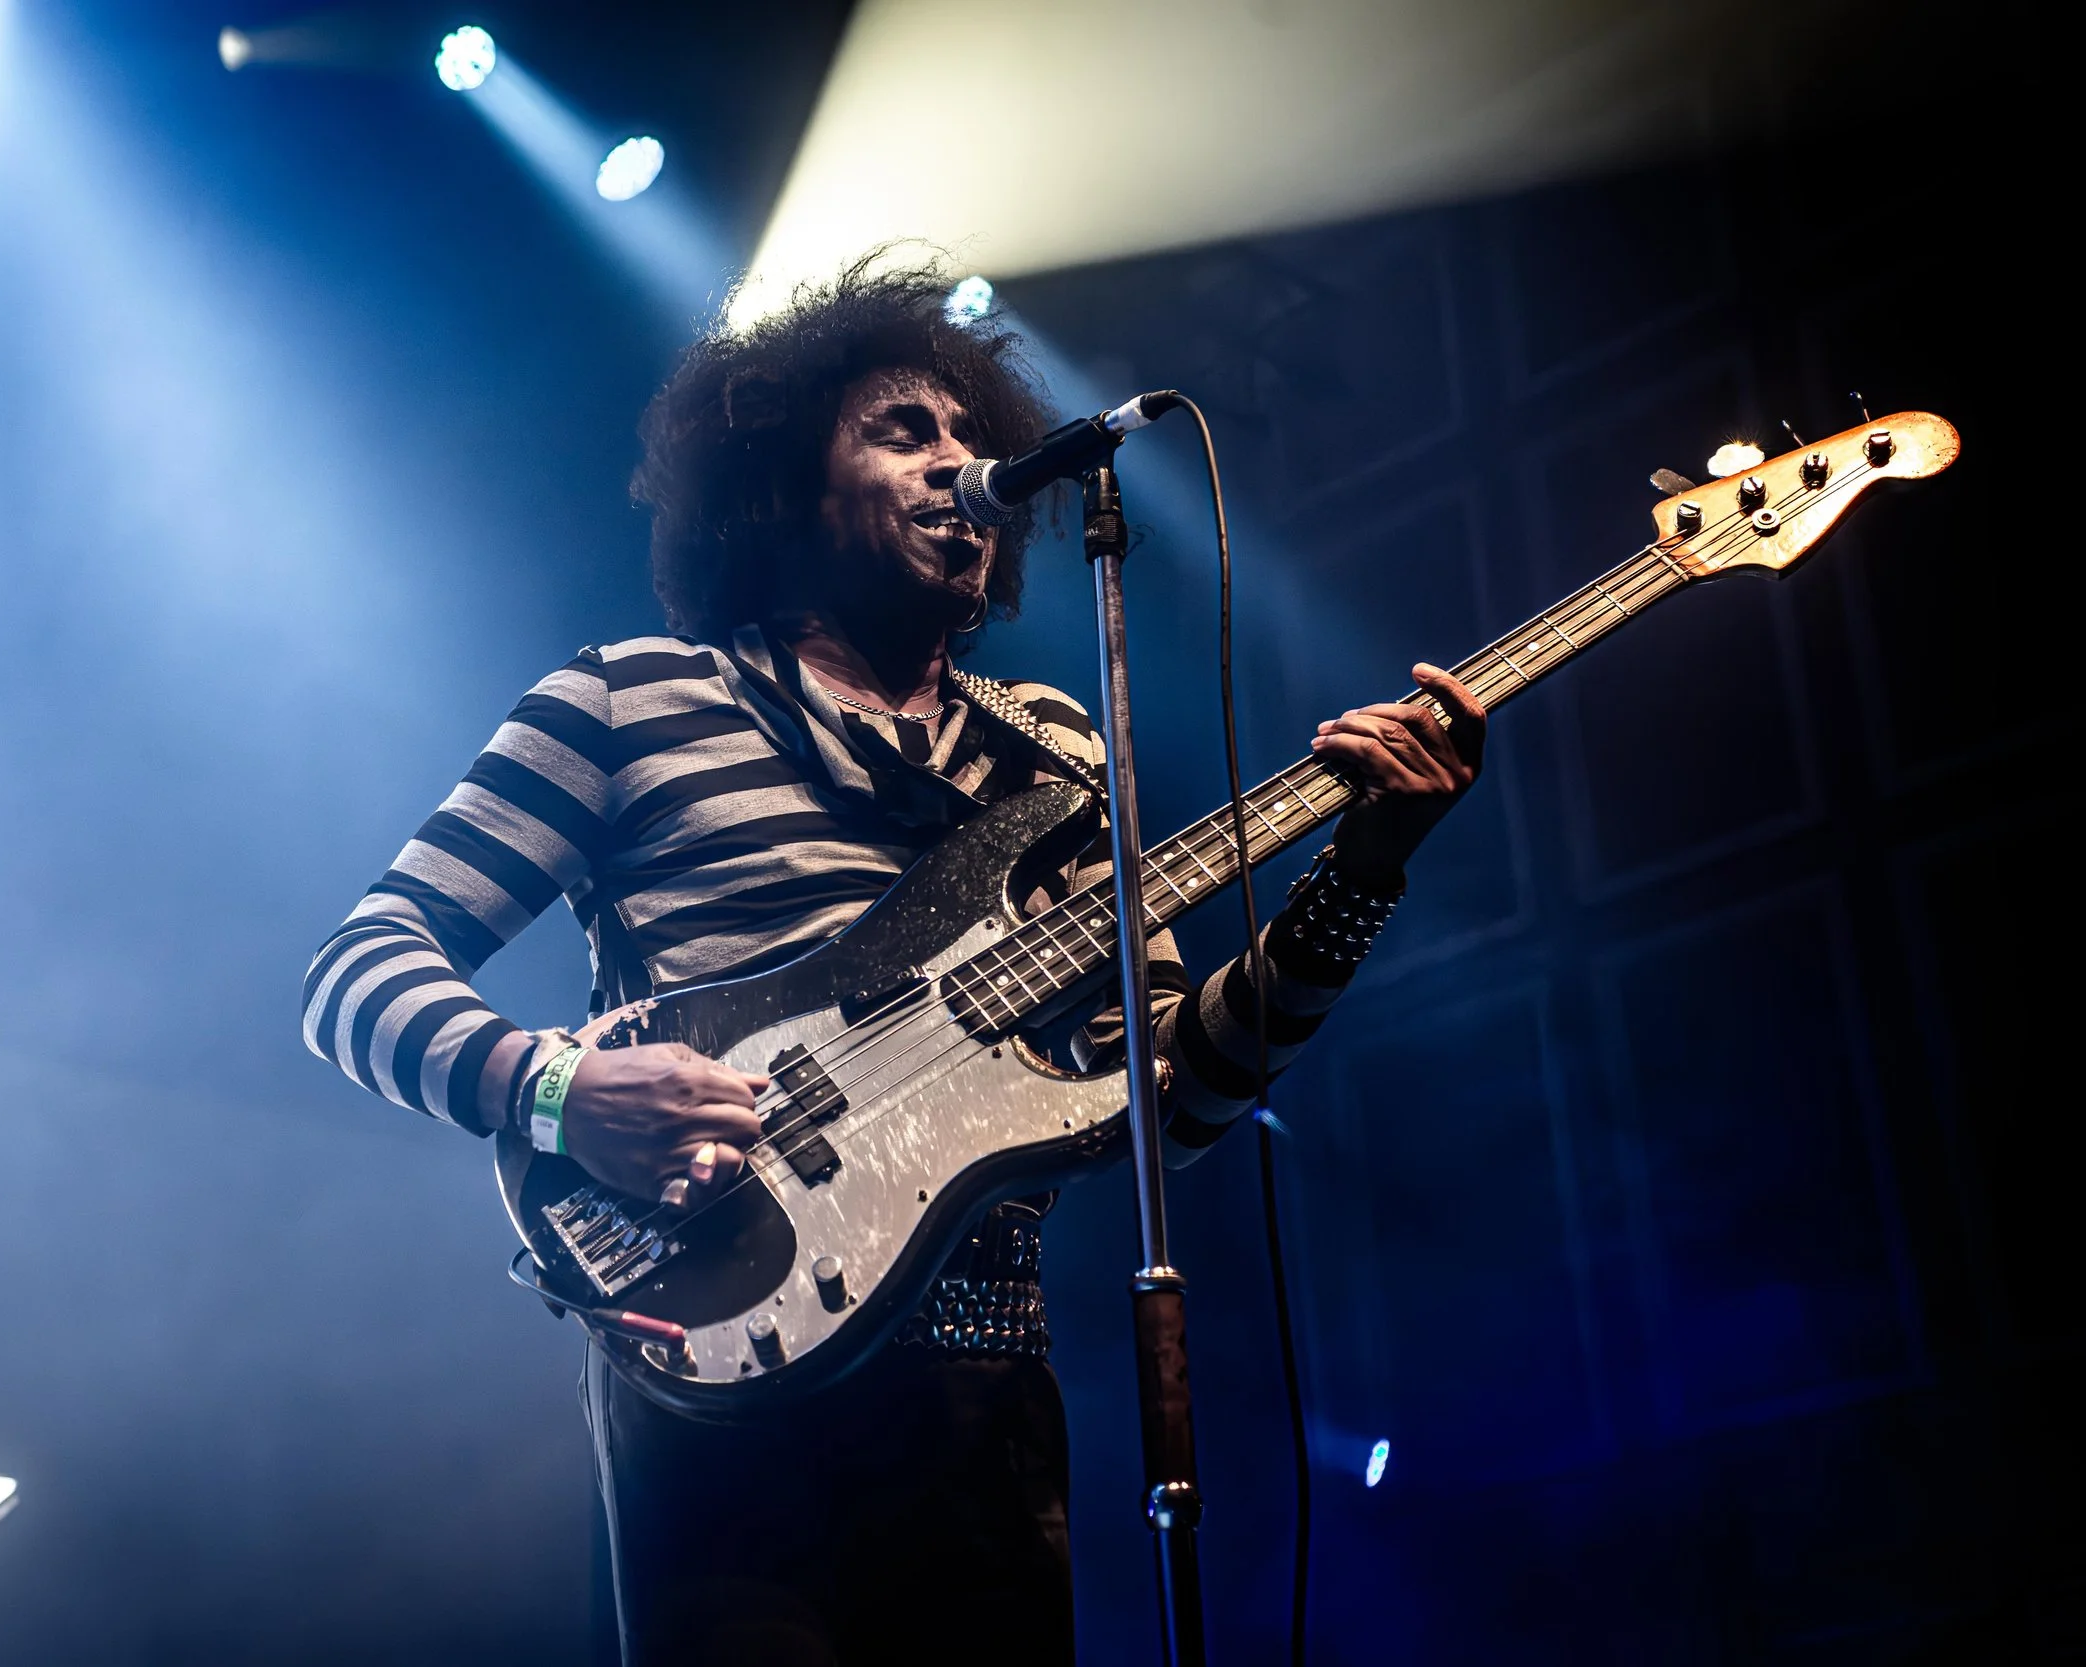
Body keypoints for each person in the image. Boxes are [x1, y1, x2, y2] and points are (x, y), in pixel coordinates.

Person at [300, 256, 1485, 1665]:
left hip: (984, 1389)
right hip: (718, 1341)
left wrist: (1362, 873)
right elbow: (359, 966)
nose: (956, 465)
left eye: (971, 437)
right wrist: (554, 1090)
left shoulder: (1053, 752)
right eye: (903, 432)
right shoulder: (624, 700)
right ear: (786, 487)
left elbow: (1177, 1098)